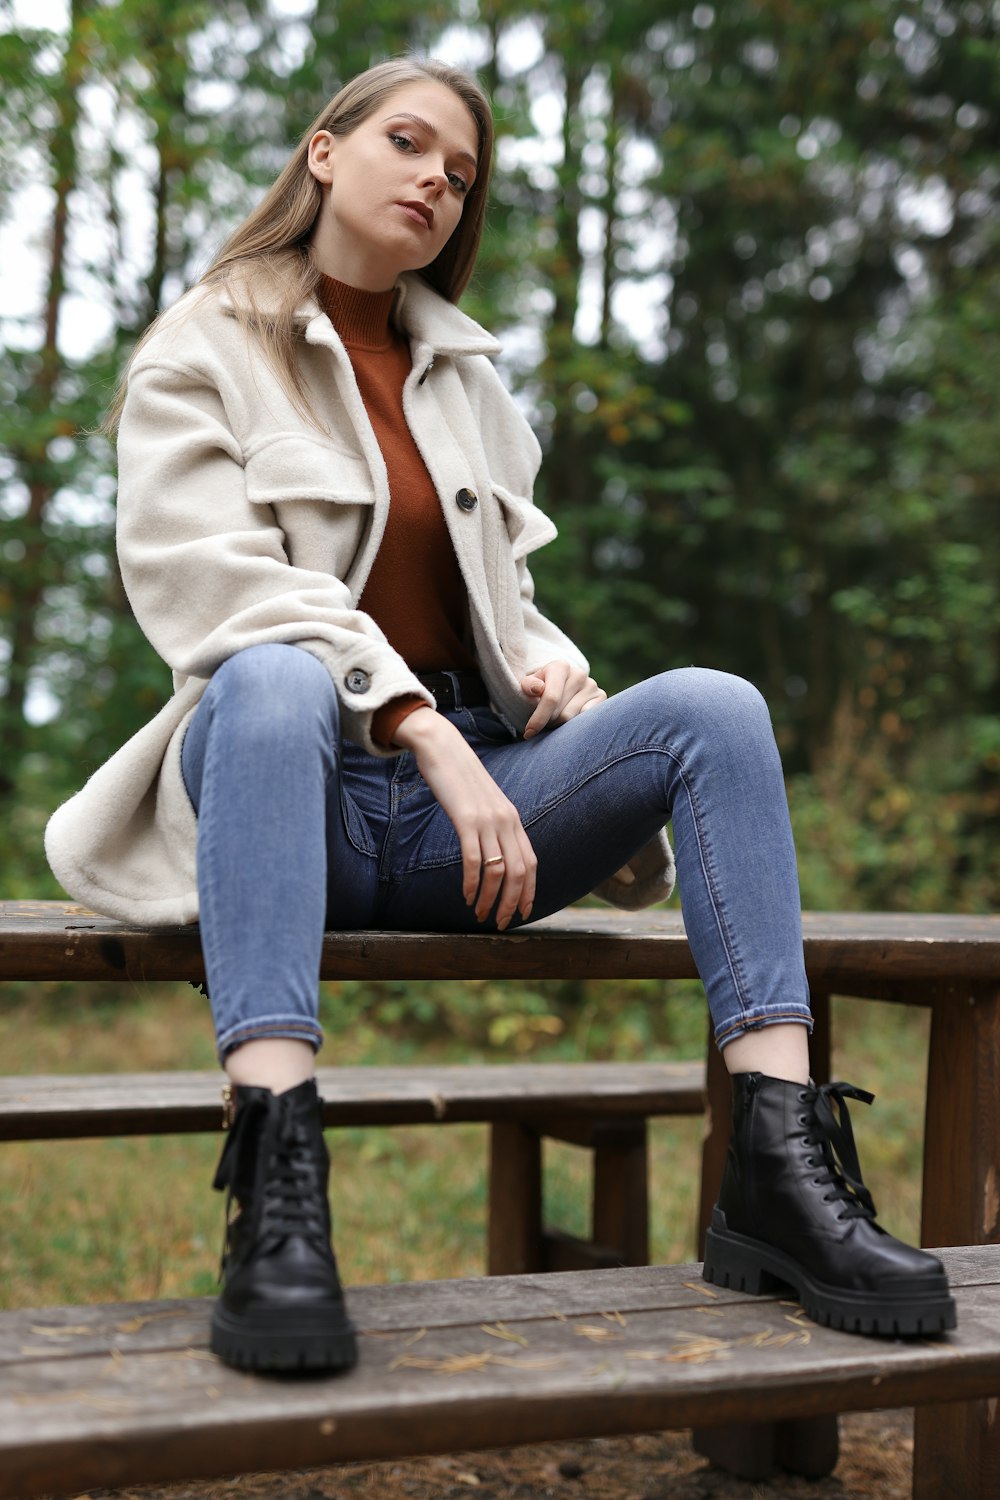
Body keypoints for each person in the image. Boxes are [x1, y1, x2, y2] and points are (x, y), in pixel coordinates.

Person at [46, 57, 955, 1374]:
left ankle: (776, 1166)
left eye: (460, 174)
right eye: (409, 144)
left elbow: (500, 600)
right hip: (286, 798)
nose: (436, 180)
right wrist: (418, 727)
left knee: (714, 706)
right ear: (323, 152)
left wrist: (553, 675)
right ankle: (279, 1204)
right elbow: (215, 589)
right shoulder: (206, 342)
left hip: (475, 818)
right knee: (274, 675)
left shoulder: (466, 380)